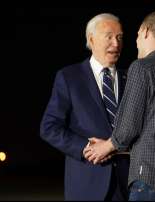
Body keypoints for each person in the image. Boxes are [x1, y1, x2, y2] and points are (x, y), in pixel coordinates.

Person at [83, 11, 155, 201]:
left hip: (151, 181)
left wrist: (106, 146)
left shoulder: (142, 67)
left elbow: (129, 125)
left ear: (145, 31)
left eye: (135, 36)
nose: (135, 42)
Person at [40, 13, 129, 200]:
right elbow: (49, 128)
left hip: (128, 185)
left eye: (120, 37)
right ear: (91, 39)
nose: (116, 43)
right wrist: (85, 147)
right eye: (109, 37)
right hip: (87, 184)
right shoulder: (69, 77)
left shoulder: (131, 79)